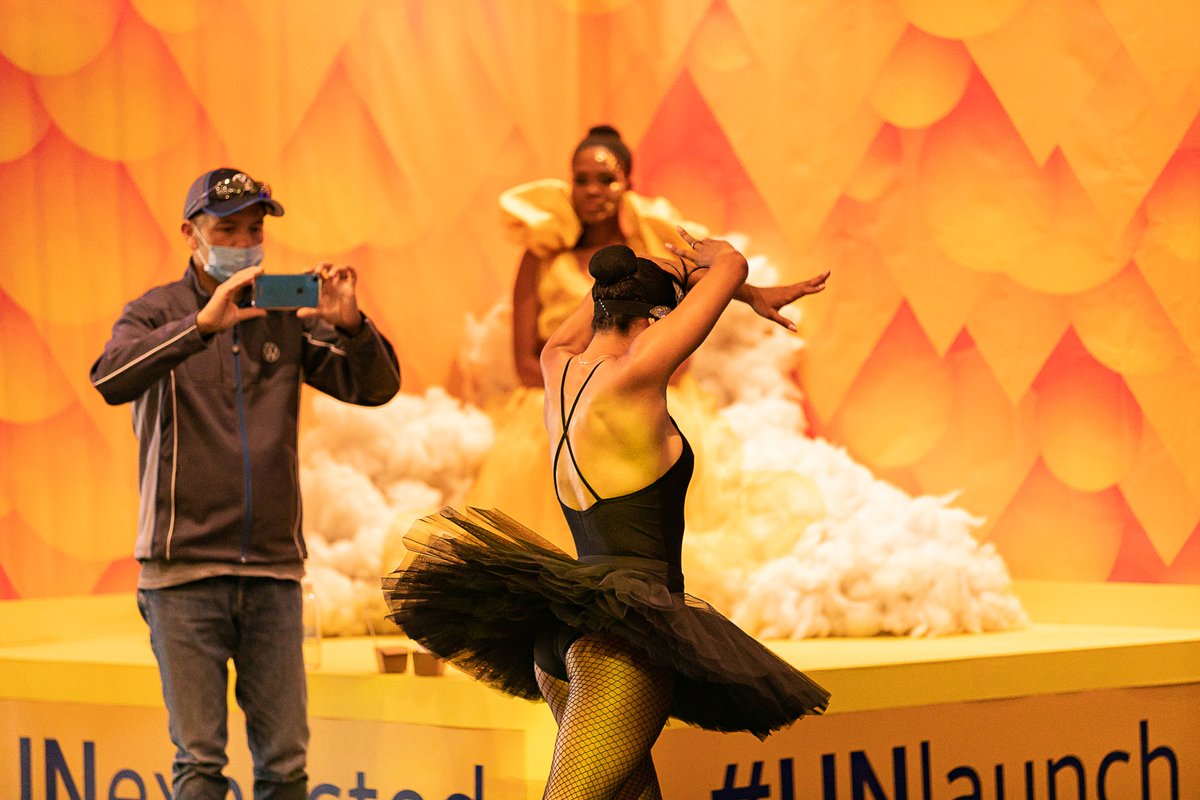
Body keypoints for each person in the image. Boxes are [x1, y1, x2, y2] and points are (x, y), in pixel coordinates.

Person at [386, 234, 829, 799]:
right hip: (622, 641)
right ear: (657, 320)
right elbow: (731, 262)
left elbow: (612, 287)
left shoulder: (555, 363)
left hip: (561, 633)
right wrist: (725, 267)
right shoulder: (637, 372)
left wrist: (732, 288)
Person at [89, 168, 401, 800]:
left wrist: (351, 327)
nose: (243, 242)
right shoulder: (156, 312)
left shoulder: (282, 313)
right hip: (183, 573)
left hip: (272, 572)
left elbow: (376, 389)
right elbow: (109, 378)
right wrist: (200, 327)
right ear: (190, 234)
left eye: (254, 229)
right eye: (227, 228)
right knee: (200, 761)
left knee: (285, 764)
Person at [466, 125, 828, 550]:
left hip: (641, 383)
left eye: (606, 179)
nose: (593, 191)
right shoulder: (545, 261)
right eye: (582, 180)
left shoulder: (638, 260)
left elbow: (680, 287)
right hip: (562, 391)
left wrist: (750, 296)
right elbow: (524, 358)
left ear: (627, 186)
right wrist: (581, 390)